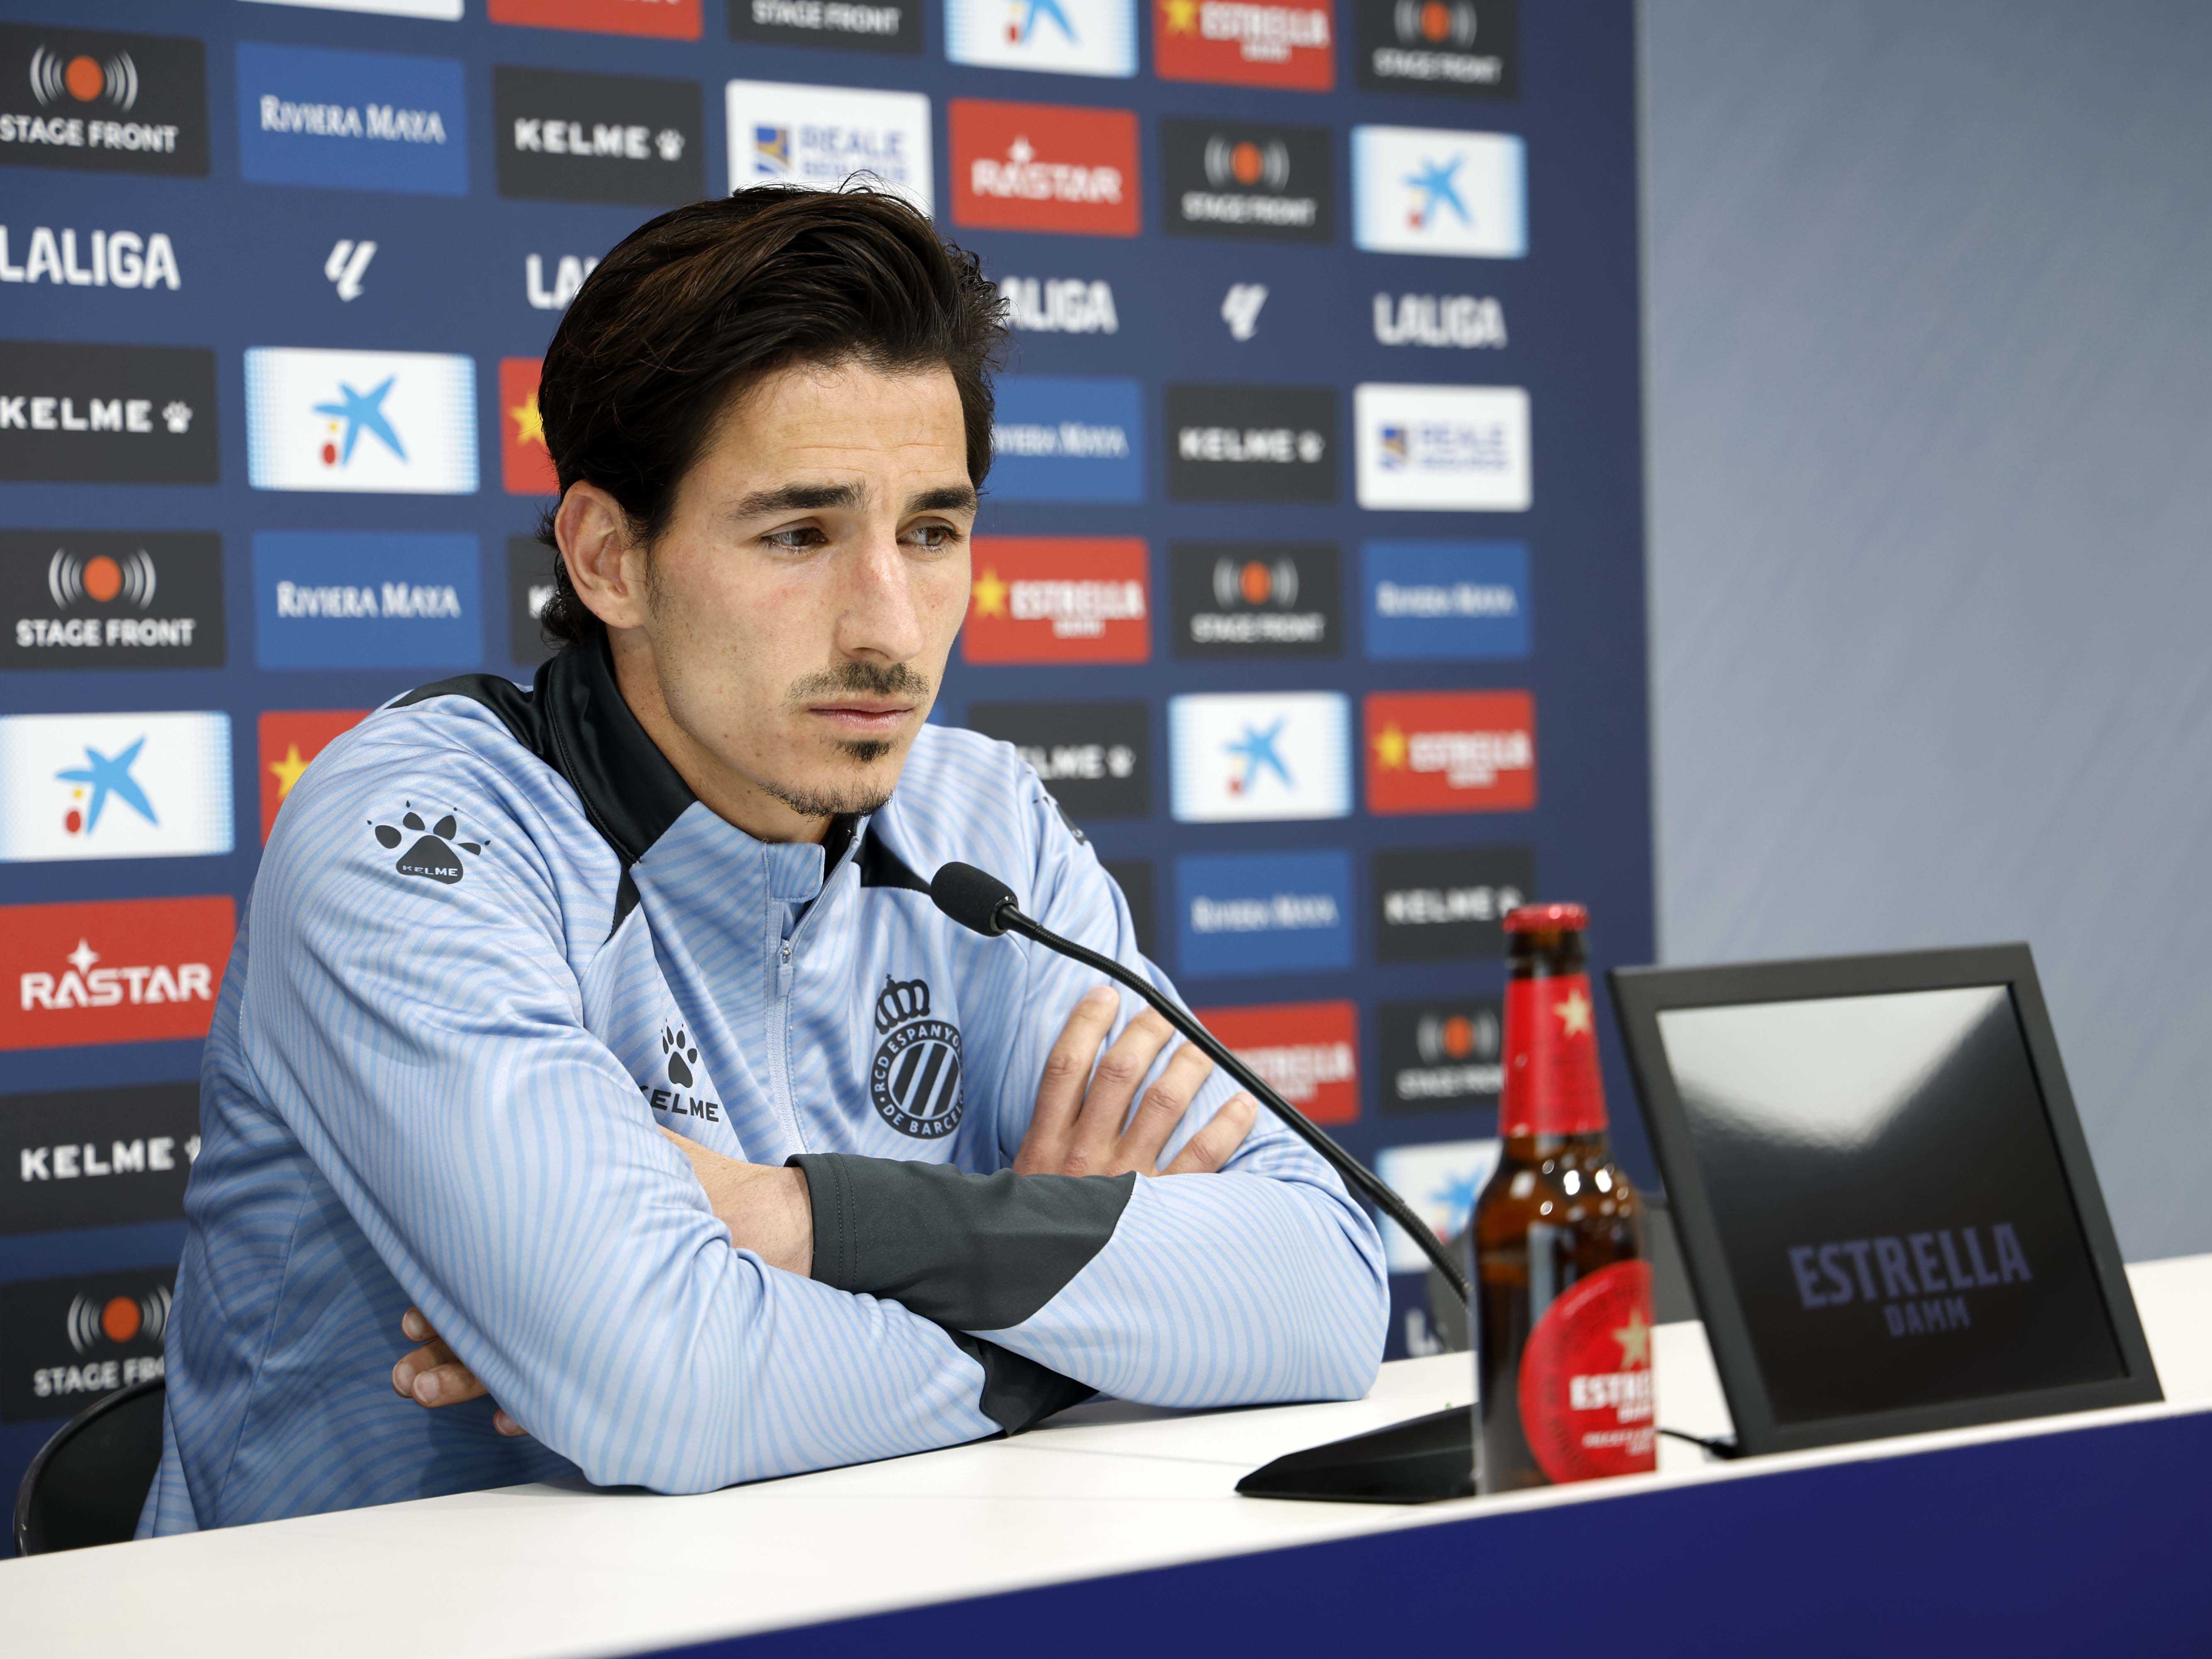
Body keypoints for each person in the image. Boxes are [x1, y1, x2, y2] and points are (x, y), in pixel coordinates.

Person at [140, 186, 1387, 1533]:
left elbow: (1326, 1288)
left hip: (837, 1590)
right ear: (609, 558)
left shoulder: (982, 820)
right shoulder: (420, 828)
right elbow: (661, 1384)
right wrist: (1076, 1318)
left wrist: (812, 1224)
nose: (889, 629)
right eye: (799, 535)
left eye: (931, 532)